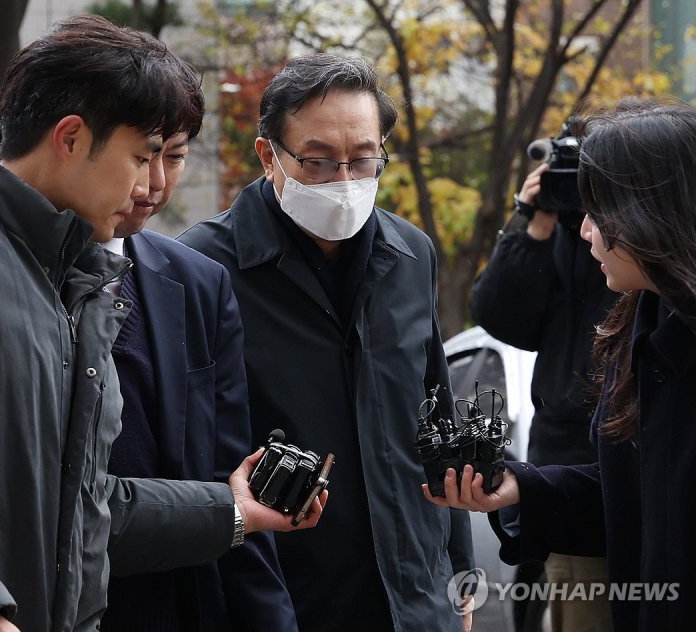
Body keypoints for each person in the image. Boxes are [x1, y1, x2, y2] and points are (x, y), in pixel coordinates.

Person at [0, 15, 323, 632]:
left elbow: (81, 507)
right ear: (70, 137)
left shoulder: (78, 275)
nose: (153, 184)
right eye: (143, 155)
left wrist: (233, 509)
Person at [179, 54, 475, 632]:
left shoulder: (410, 255)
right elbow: (189, 454)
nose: (343, 182)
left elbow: (436, 420)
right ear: (270, 156)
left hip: (415, 598)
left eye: (363, 160)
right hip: (284, 598)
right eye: (317, 162)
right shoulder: (202, 267)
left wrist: (459, 573)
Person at [427, 98, 696, 631]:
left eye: (600, 209)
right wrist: (523, 488)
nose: (585, 229)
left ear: (654, 212)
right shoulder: (640, 322)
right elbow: (637, 496)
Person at [98, 54, 297, 631]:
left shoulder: (197, 282)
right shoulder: (6, 272)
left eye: (176, 156)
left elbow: (230, 474)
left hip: (179, 599)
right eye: (144, 155)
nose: (155, 182)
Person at [469, 160, 617, 631]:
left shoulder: (652, 279)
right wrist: (534, 220)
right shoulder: (563, 240)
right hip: (568, 475)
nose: (590, 226)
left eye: (600, 198)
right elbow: (500, 316)